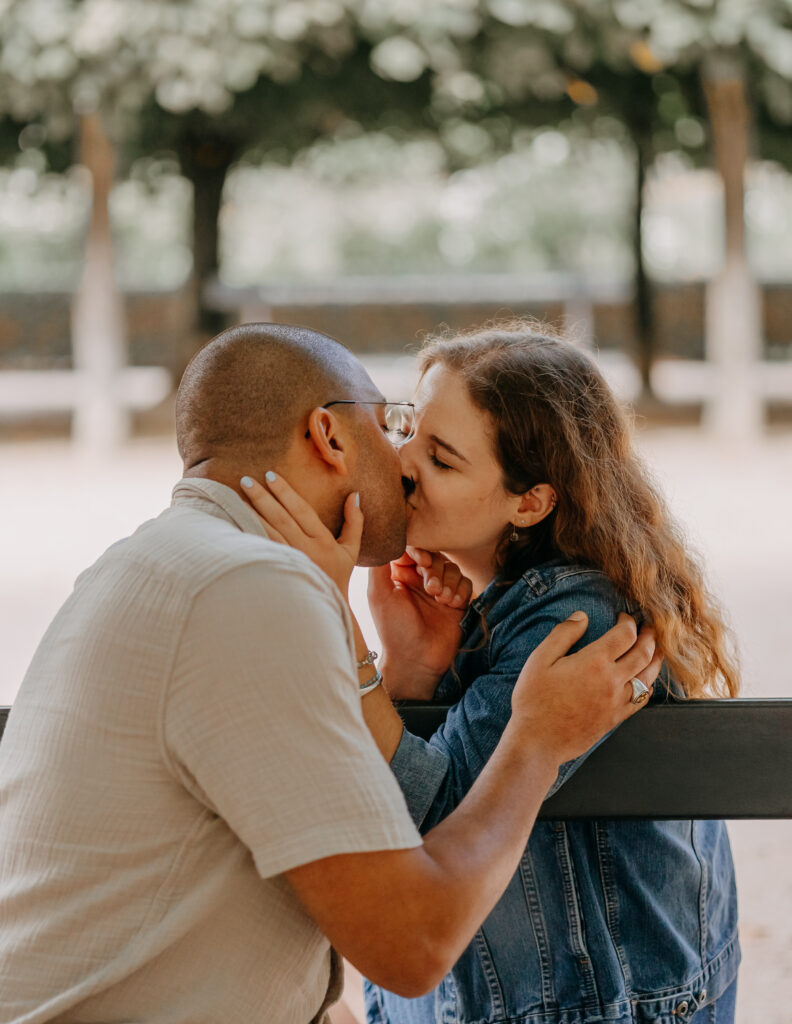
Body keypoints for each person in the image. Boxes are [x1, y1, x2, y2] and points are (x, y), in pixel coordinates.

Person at [0, 323, 660, 1024]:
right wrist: (534, 743)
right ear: (329, 436)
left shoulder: (144, 565)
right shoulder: (249, 591)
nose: (402, 462)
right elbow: (414, 946)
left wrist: (398, 674)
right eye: (391, 425)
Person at [243, 322, 741, 1024]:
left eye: (442, 460)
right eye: (409, 428)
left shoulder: (578, 627)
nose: (402, 462)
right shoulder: (481, 608)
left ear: (530, 502)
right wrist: (410, 671)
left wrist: (332, 616)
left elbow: (436, 837)